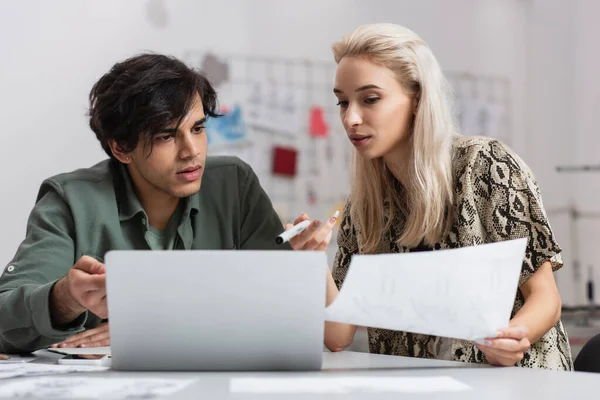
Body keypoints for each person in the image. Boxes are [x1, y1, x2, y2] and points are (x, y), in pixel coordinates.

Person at [0, 53, 335, 353]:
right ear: (121, 148)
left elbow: (280, 313)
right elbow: (4, 315)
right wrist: (64, 299)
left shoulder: (235, 184)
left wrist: (154, 330)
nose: (192, 151)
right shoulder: (70, 200)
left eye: (199, 128)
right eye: (166, 136)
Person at [295, 23, 572, 369]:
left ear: (417, 99)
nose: (350, 118)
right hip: (418, 387)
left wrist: (514, 335)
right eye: (342, 102)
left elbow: (547, 298)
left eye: (370, 99)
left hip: (516, 382)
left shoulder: (484, 166)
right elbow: (338, 335)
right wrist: (312, 262)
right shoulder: (363, 205)